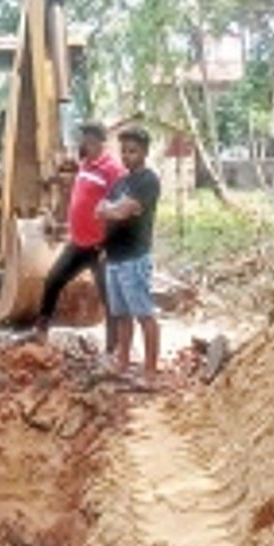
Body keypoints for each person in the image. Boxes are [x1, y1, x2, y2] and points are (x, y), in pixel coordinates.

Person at [35, 121, 125, 349]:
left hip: (100, 247)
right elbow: (78, 200)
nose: (83, 143)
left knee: (109, 299)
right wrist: (64, 224)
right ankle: (41, 331)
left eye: (87, 139)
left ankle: (112, 349)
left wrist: (110, 244)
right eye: (83, 138)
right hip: (78, 244)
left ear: (99, 142)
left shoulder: (113, 170)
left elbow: (121, 210)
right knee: (53, 280)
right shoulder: (84, 165)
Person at [100, 125, 161, 386]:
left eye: (133, 151)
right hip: (114, 259)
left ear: (145, 152)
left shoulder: (148, 181)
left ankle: (149, 372)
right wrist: (113, 210)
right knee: (122, 316)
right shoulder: (121, 182)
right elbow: (102, 210)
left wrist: (113, 210)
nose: (127, 156)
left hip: (135, 258)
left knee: (144, 315)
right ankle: (123, 363)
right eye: (123, 151)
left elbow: (121, 211)